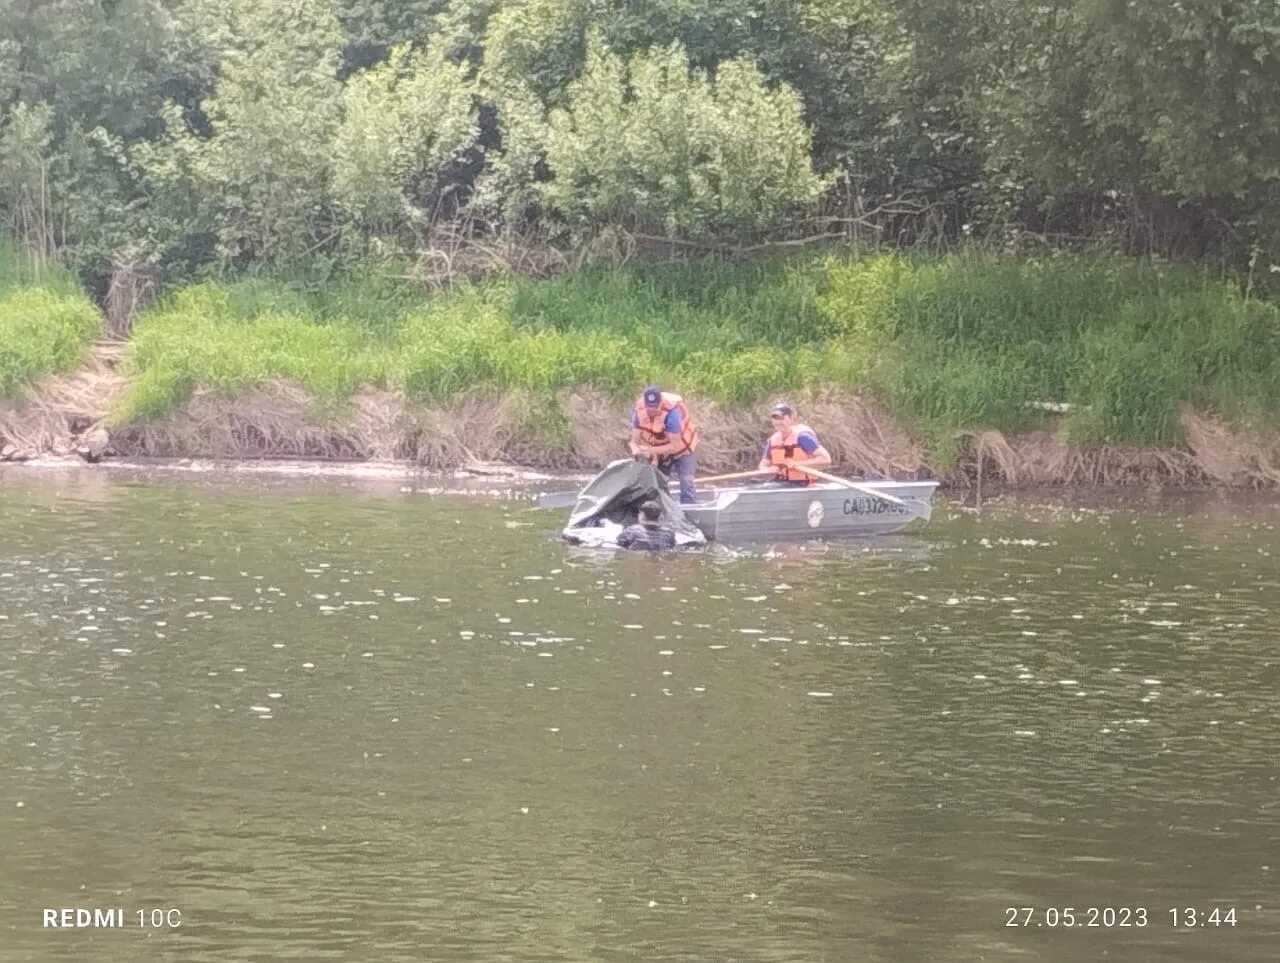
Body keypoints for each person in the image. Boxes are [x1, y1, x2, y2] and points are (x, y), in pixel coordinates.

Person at [629, 384, 699, 504]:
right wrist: (636, 449)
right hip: (660, 452)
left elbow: (675, 446)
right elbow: (634, 441)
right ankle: (660, 508)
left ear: (661, 403)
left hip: (682, 450)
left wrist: (650, 451)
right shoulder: (639, 412)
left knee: (686, 481)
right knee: (657, 483)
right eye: (649, 408)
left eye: (655, 407)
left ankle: (688, 506)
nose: (652, 411)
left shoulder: (672, 414)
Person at [758, 401, 832, 485]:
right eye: (775, 419)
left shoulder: (803, 437)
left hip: (804, 484)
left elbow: (825, 459)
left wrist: (798, 464)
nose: (778, 422)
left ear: (791, 418)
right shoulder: (772, 440)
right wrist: (768, 469)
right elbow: (763, 465)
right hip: (781, 483)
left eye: (782, 418)